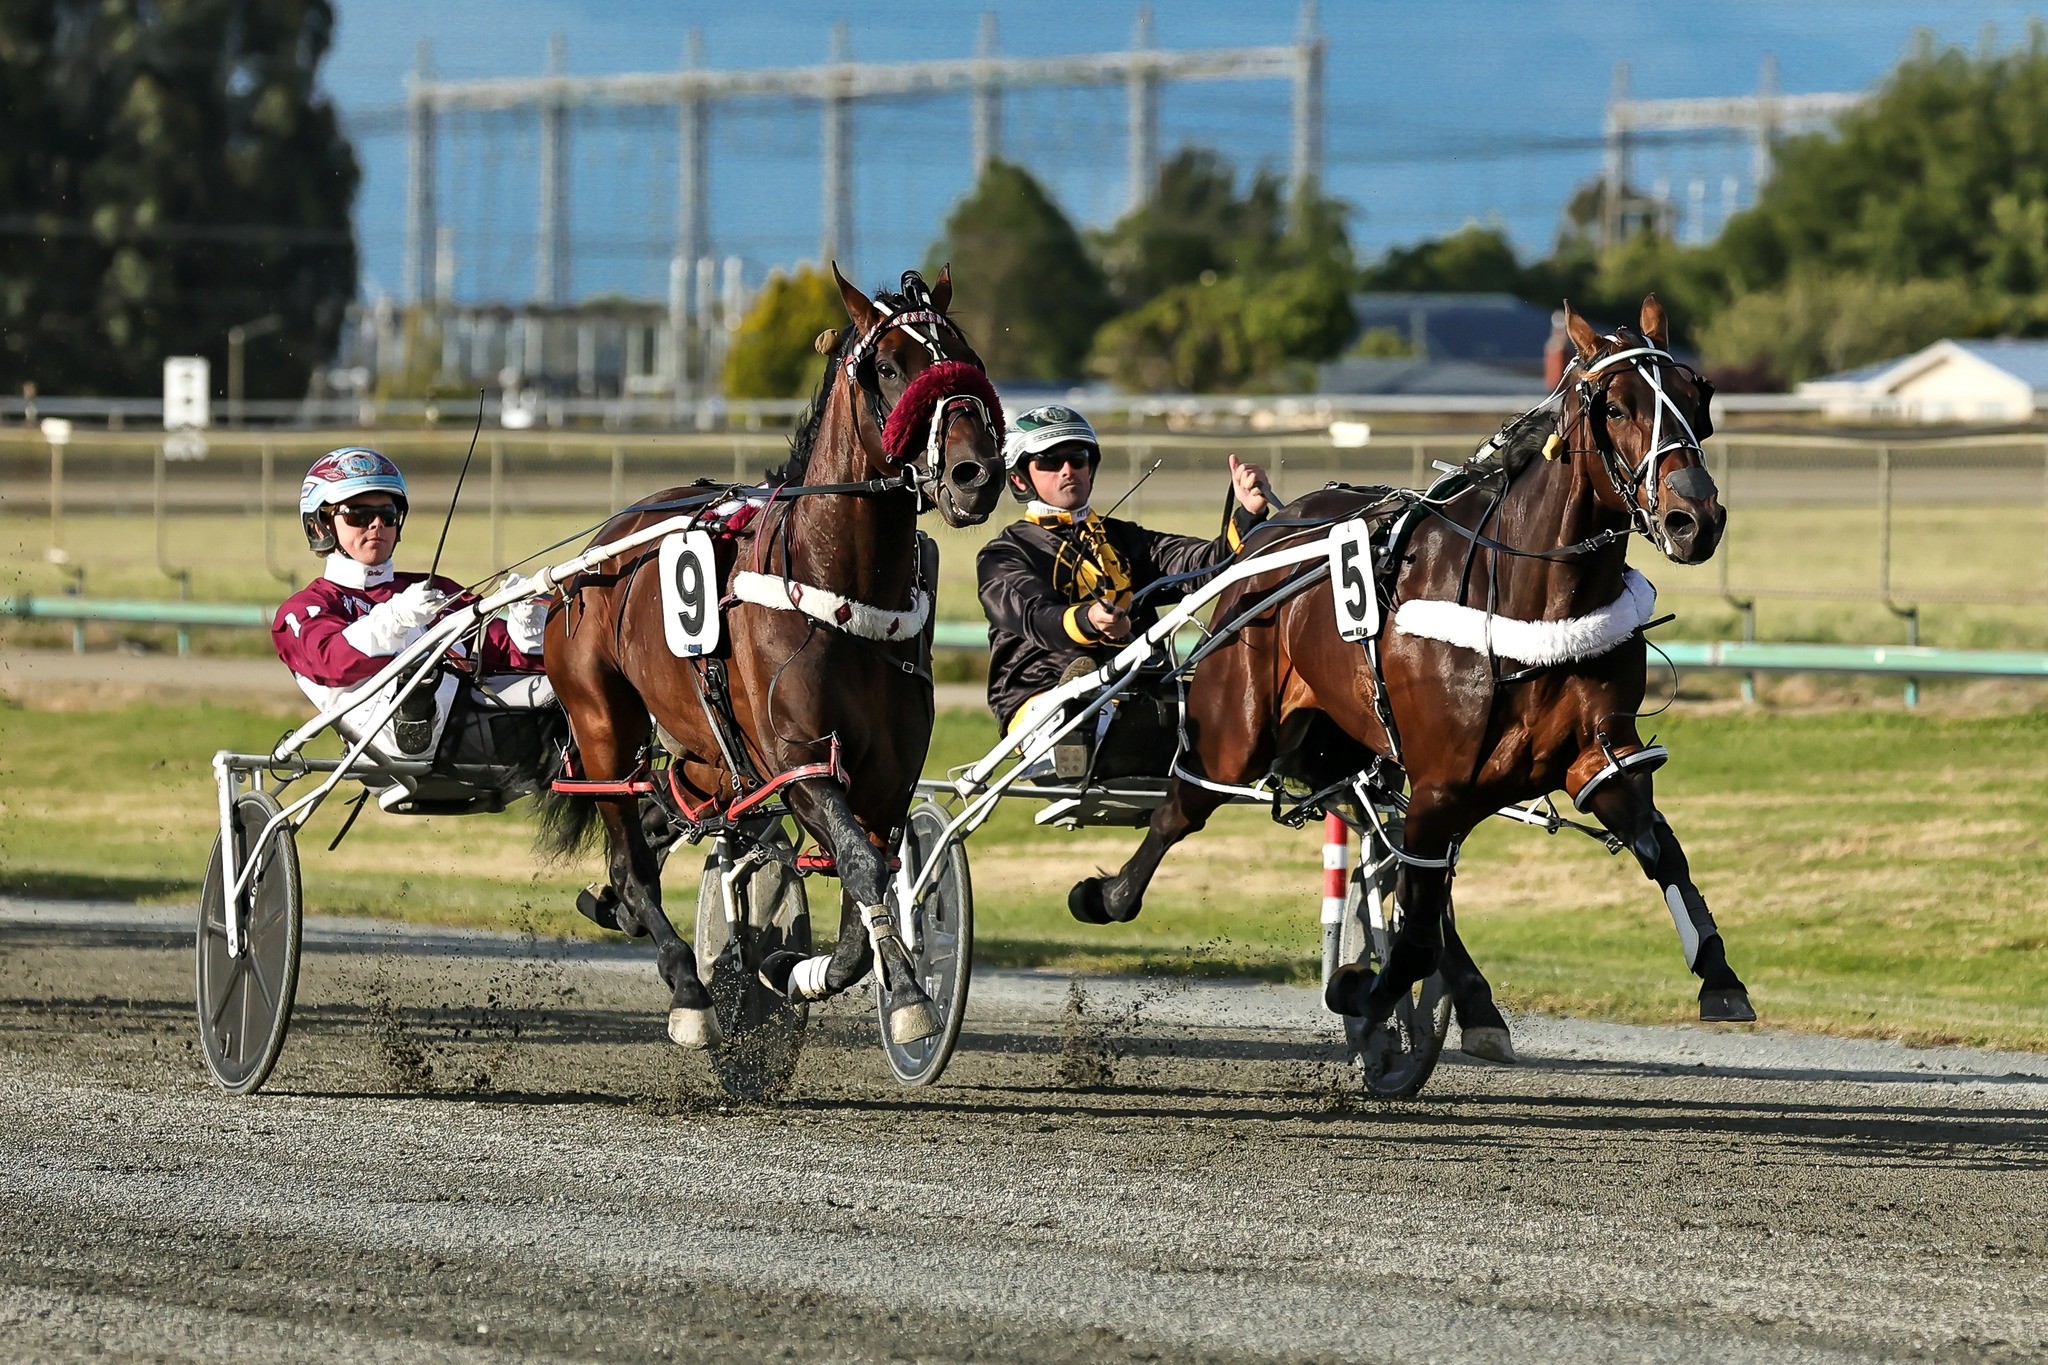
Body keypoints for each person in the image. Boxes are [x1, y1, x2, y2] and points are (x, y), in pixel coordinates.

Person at [976, 405, 1273, 772]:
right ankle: (1081, 720)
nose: (1067, 470)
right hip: (1041, 699)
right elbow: (1036, 616)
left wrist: (1247, 514)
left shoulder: (1125, 539)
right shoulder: (1005, 555)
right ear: (1020, 479)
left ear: (1091, 468)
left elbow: (1207, 565)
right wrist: (1089, 620)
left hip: (1139, 695)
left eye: (1077, 458)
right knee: (1083, 698)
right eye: (1049, 462)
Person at [272, 447, 547, 762]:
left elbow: (505, 660)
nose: (376, 525)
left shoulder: (434, 590)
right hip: (384, 740)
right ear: (320, 526)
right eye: (358, 515)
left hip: (471, 725)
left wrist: (528, 622)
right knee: (418, 685)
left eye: (387, 516)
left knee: (566, 691)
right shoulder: (305, 608)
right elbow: (330, 662)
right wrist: (395, 618)